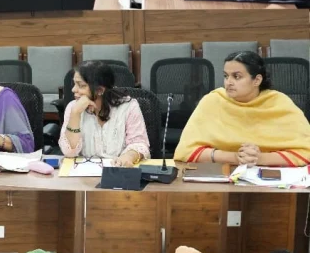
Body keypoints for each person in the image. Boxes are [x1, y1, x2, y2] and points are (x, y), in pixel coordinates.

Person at [174, 51, 310, 167]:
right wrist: (234, 157)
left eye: (237, 76)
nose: (229, 82)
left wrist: (260, 158)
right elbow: (185, 152)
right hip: (221, 173)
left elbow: (305, 152)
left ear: (257, 80)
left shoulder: (279, 103)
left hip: (269, 177)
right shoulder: (212, 101)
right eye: (226, 76)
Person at [58, 61, 151, 166]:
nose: (73, 89)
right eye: (74, 84)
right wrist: (75, 114)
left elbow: (139, 144)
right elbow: (69, 152)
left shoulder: (128, 107)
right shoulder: (73, 107)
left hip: (118, 169)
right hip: (83, 171)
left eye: (81, 85)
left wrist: (128, 157)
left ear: (100, 90)